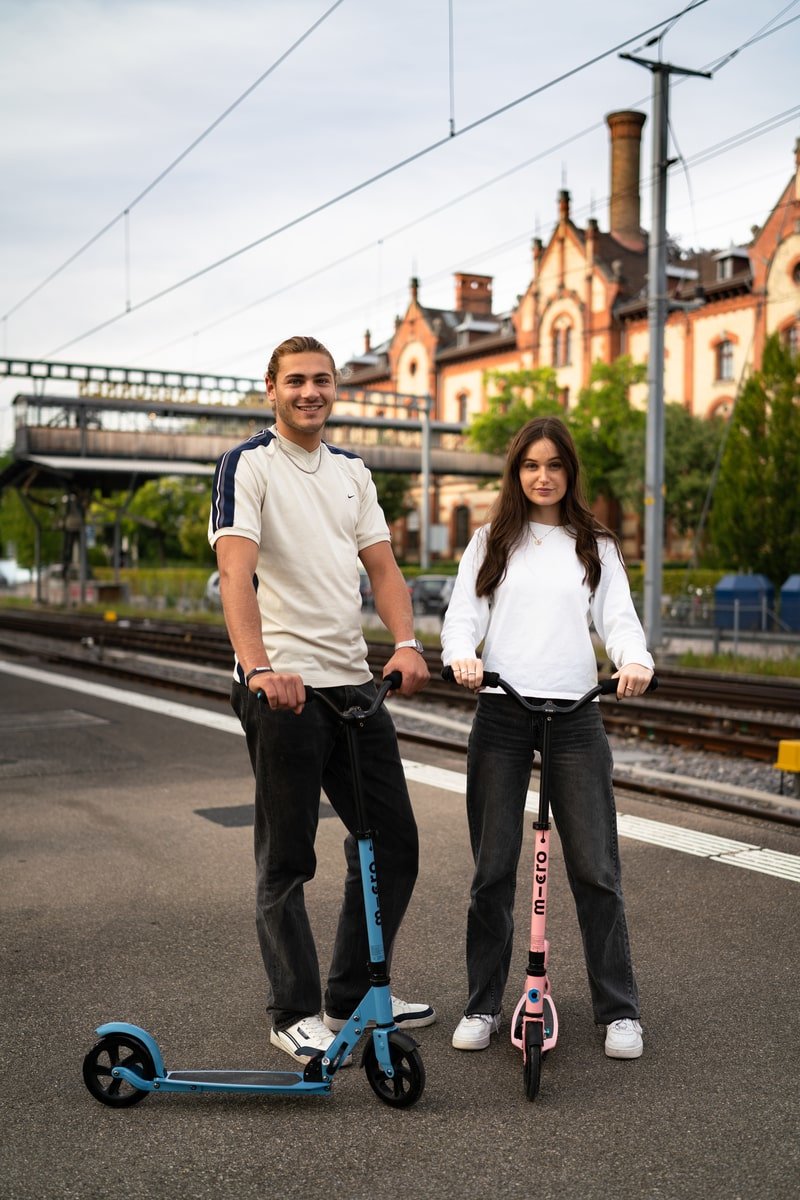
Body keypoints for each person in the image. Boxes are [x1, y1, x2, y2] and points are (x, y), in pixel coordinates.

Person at [208, 334, 435, 1065]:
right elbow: (236, 576)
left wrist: (405, 643)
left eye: (323, 381)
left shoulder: (352, 471)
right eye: (296, 381)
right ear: (271, 389)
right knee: (288, 857)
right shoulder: (248, 465)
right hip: (285, 693)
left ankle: (351, 994)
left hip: (354, 687)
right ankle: (294, 1010)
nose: (311, 392)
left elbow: (385, 569)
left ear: (336, 390)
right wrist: (258, 668)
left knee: (393, 843)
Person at [441, 415, 653, 1060]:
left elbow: (617, 620)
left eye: (553, 465)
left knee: (596, 867)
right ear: (516, 472)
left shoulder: (596, 544)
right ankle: (482, 1004)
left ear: (569, 471)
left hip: (576, 715)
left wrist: (635, 659)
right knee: (492, 871)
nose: (542, 476)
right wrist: (461, 656)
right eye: (530, 465)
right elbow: (461, 620)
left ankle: (618, 1011)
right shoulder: (490, 541)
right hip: (503, 712)